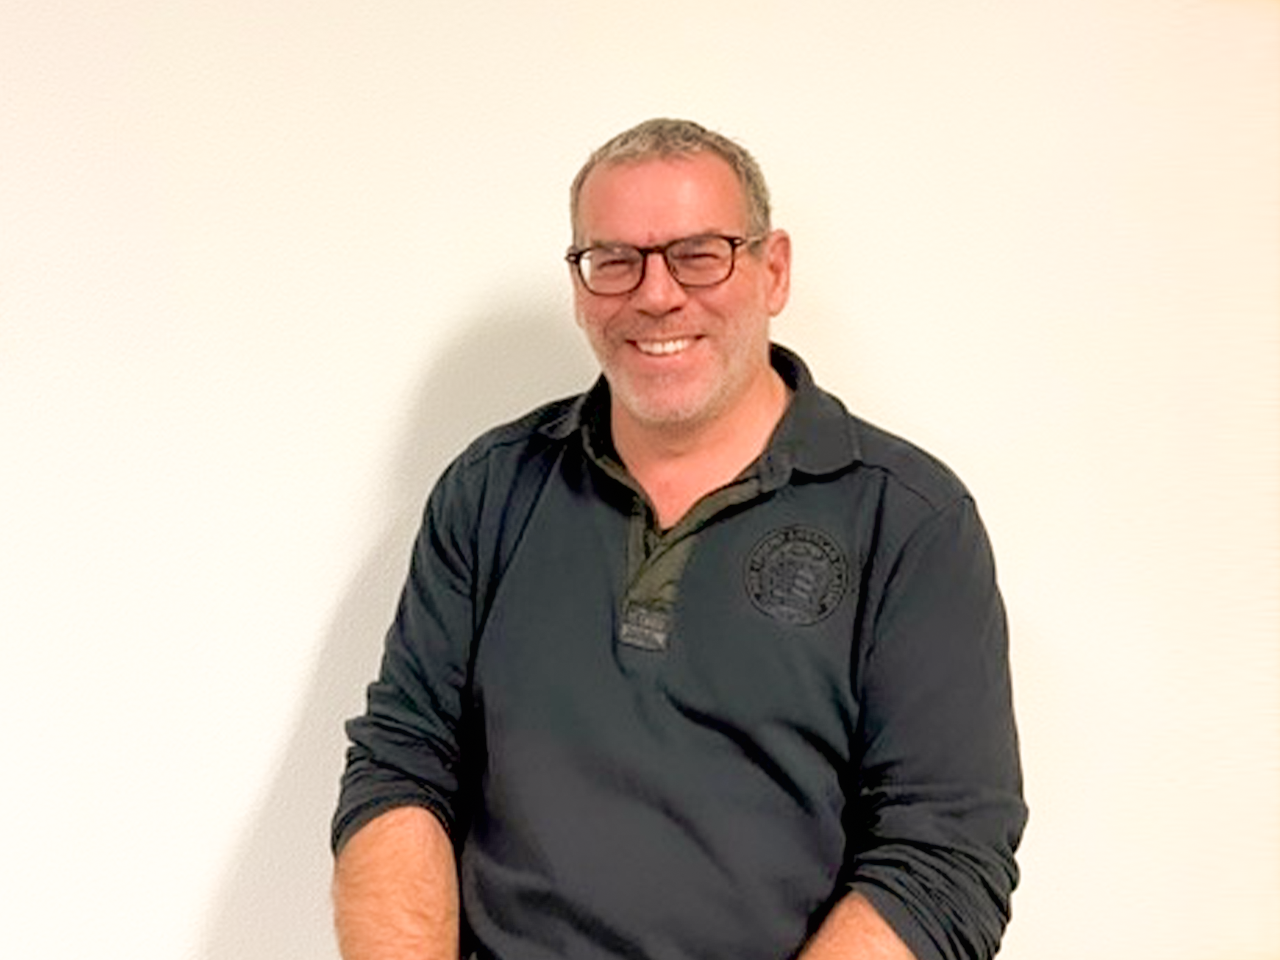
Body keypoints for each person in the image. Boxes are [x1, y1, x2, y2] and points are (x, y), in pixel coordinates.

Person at [331, 118, 1026, 960]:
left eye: (699, 255)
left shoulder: (910, 522)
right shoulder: (490, 491)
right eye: (614, 260)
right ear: (580, 285)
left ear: (773, 270)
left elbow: (944, 859)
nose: (656, 295)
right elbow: (402, 765)